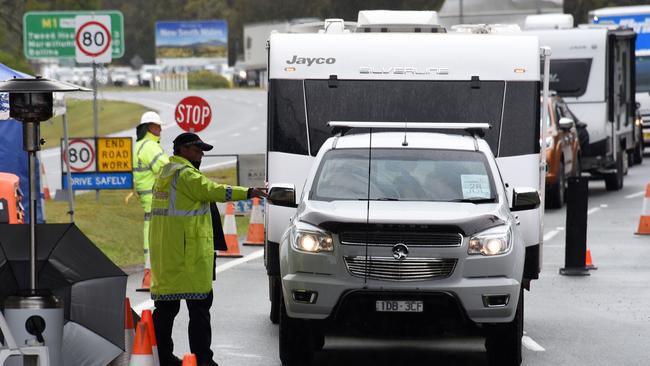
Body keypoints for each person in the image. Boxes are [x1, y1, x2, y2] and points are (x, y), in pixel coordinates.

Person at [149, 132, 266, 366]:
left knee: (166, 307)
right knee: (199, 308)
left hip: (168, 251)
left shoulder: (166, 173)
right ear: (183, 150)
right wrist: (249, 192)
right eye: (197, 149)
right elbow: (212, 190)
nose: (201, 154)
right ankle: (202, 359)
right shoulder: (185, 175)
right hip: (188, 253)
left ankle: (160, 355)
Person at [133, 111, 169, 292]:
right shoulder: (149, 146)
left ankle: (151, 272)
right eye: (157, 126)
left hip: (148, 199)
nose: (160, 129)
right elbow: (166, 170)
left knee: (151, 232)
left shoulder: (138, 145)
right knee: (158, 235)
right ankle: (154, 273)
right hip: (157, 198)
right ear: (149, 127)